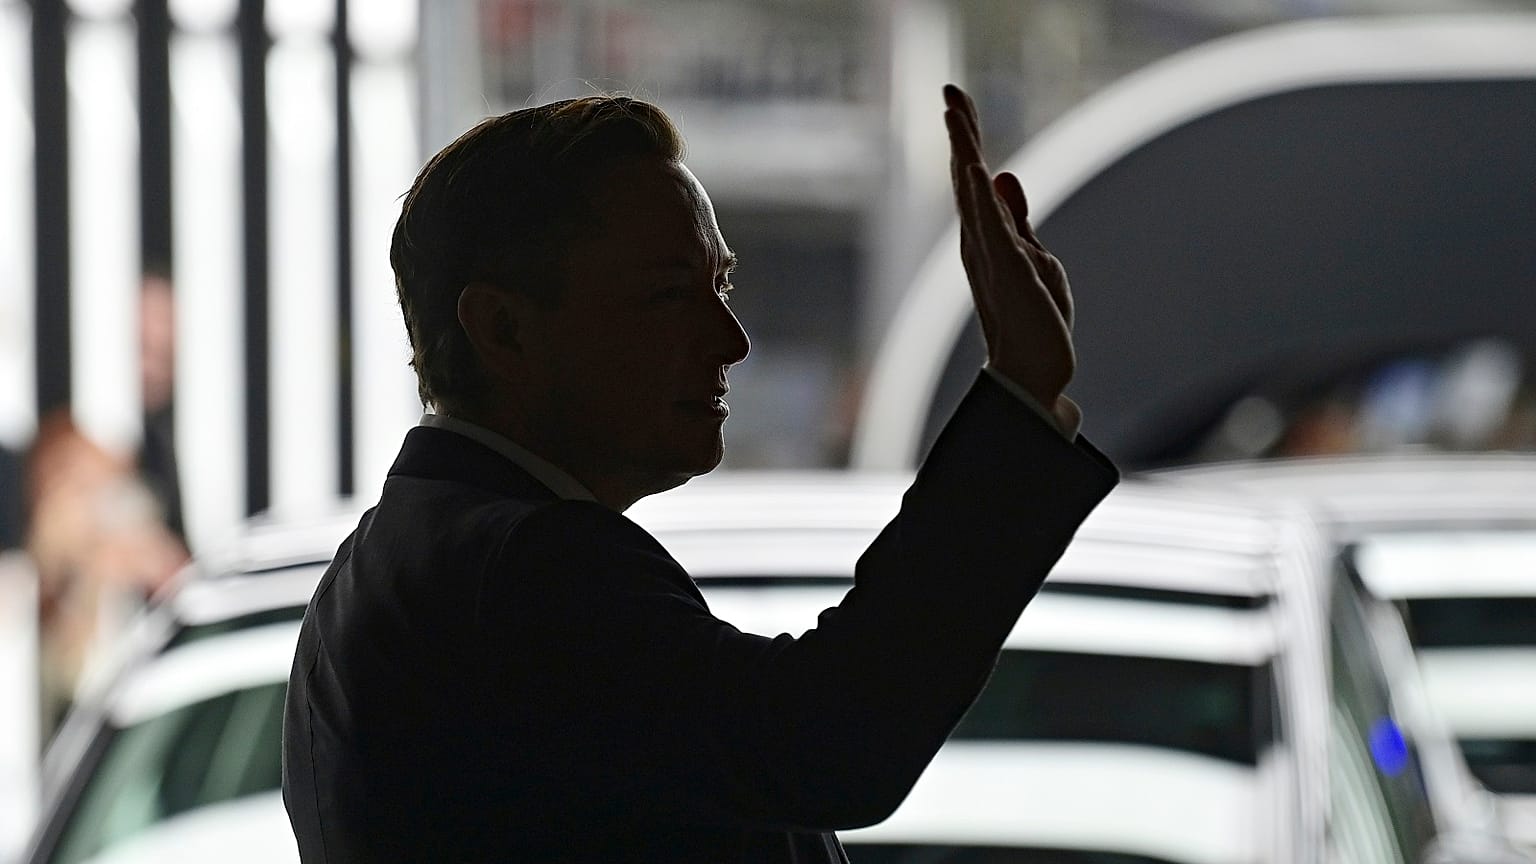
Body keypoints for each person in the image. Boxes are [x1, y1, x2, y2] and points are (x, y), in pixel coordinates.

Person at [282, 85, 1117, 863]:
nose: (731, 341)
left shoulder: (389, 570)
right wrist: (1019, 390)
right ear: (503, 330)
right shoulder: (527, 567)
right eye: (669, 295)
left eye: (720, 283)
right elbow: (830, 740)